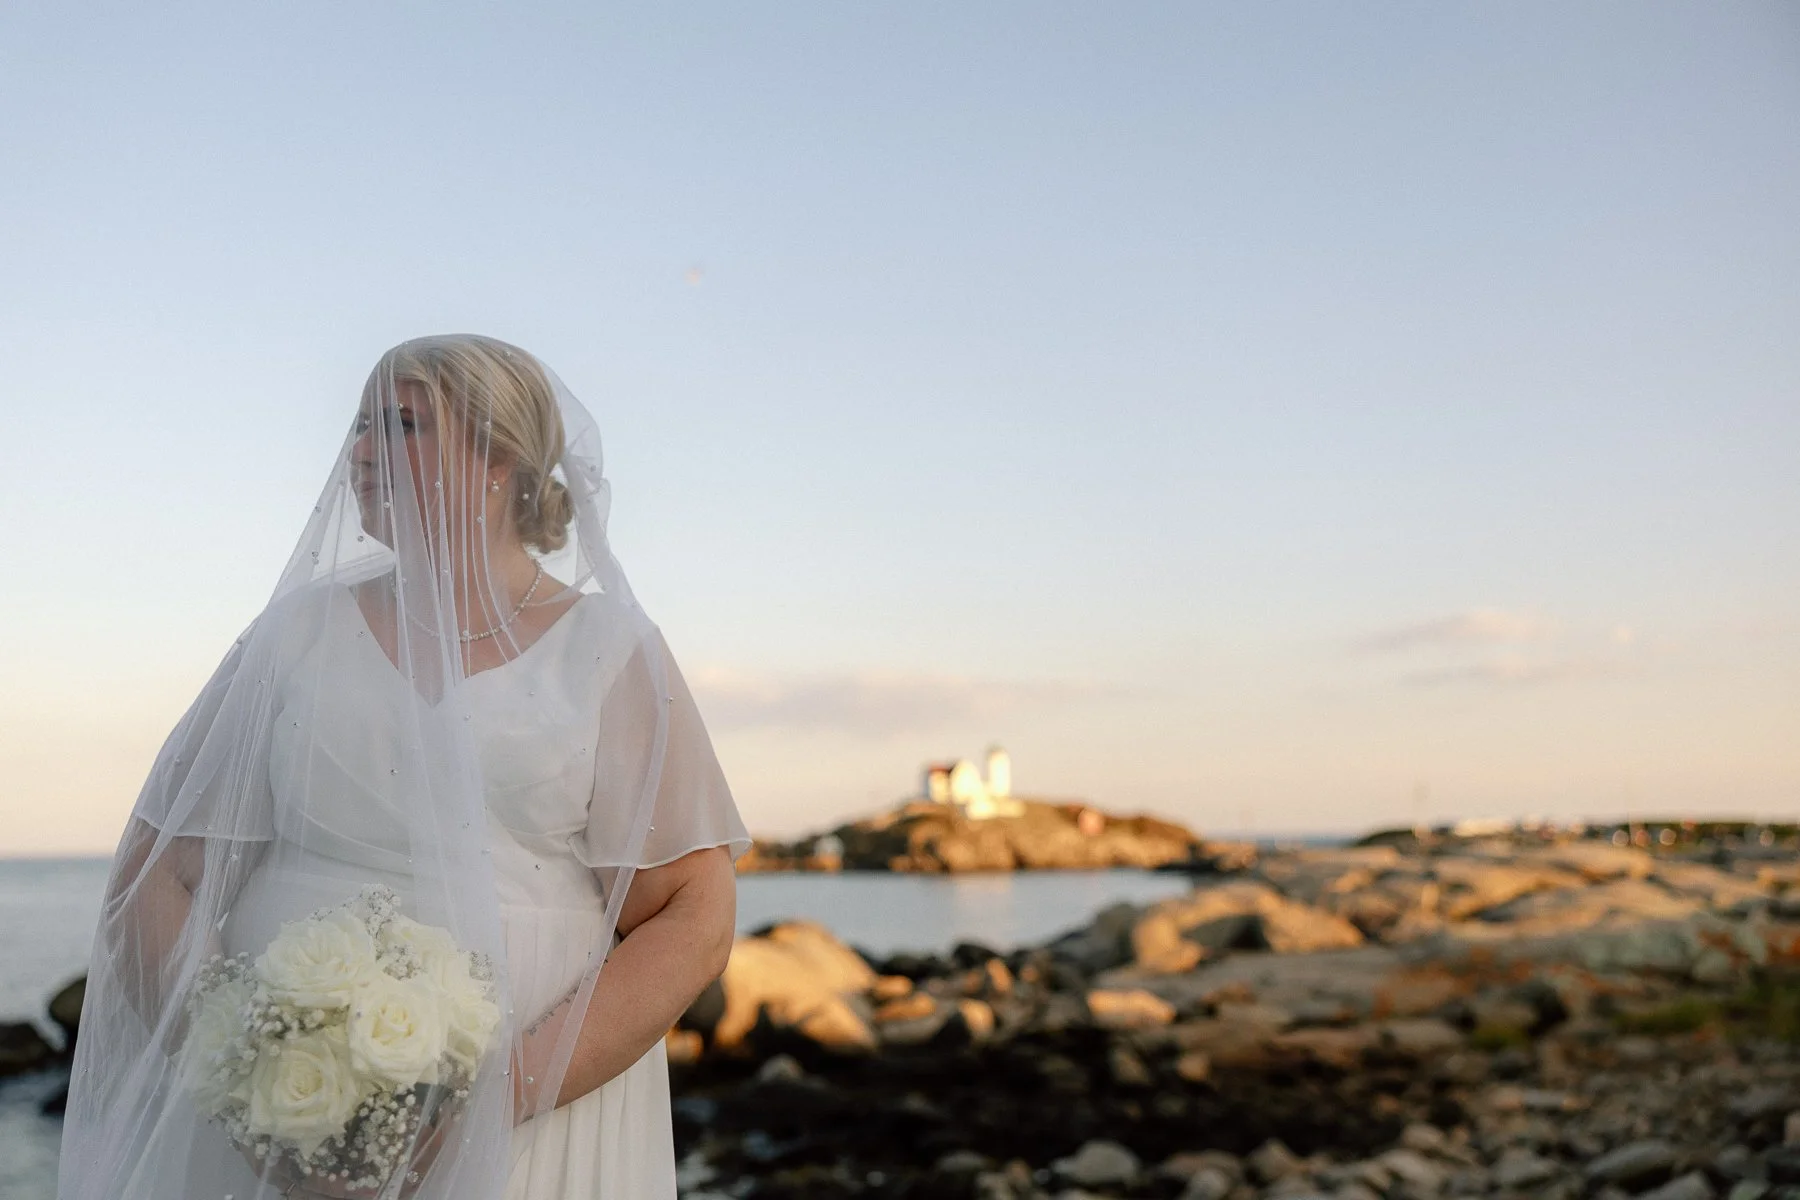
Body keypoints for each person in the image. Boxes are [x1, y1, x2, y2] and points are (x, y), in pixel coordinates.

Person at [57, 335, 750, 1199]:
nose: (357, 450)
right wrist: (248, 1087)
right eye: (356, 426)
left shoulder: (608, 653)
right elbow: (154, 873)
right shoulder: (296, 634)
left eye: (400, 424)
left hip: (534, 1123)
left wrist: (503, 1098)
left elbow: (693, 915)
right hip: (274, 1126)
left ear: (500, 455)